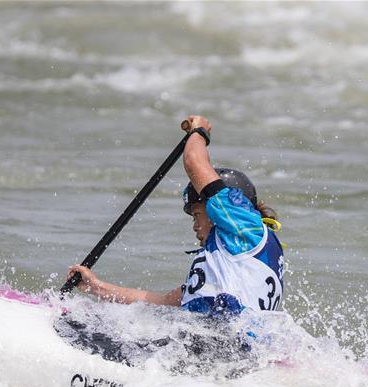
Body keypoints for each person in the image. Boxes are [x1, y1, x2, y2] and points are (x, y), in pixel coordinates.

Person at [67, 115, 284, 317]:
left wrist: (199, 131)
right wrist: (96, 287)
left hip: (219, 342)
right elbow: (158, 302)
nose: (195, 226)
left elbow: (193, 162)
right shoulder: (229, 265)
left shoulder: (242, 223)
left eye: (197, 215)